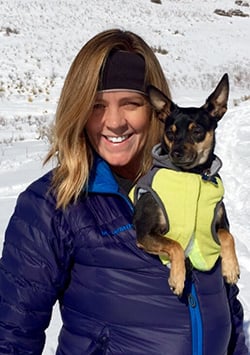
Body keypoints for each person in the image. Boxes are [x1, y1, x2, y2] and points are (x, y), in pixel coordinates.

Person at [0, 29, 248, 355]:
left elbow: (226, 305)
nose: (114, 122)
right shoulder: (52, 205)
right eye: (97, 105)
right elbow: (11, 338)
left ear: (155, 109)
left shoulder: (192, 187)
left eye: (130, 103)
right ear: (77, 110)